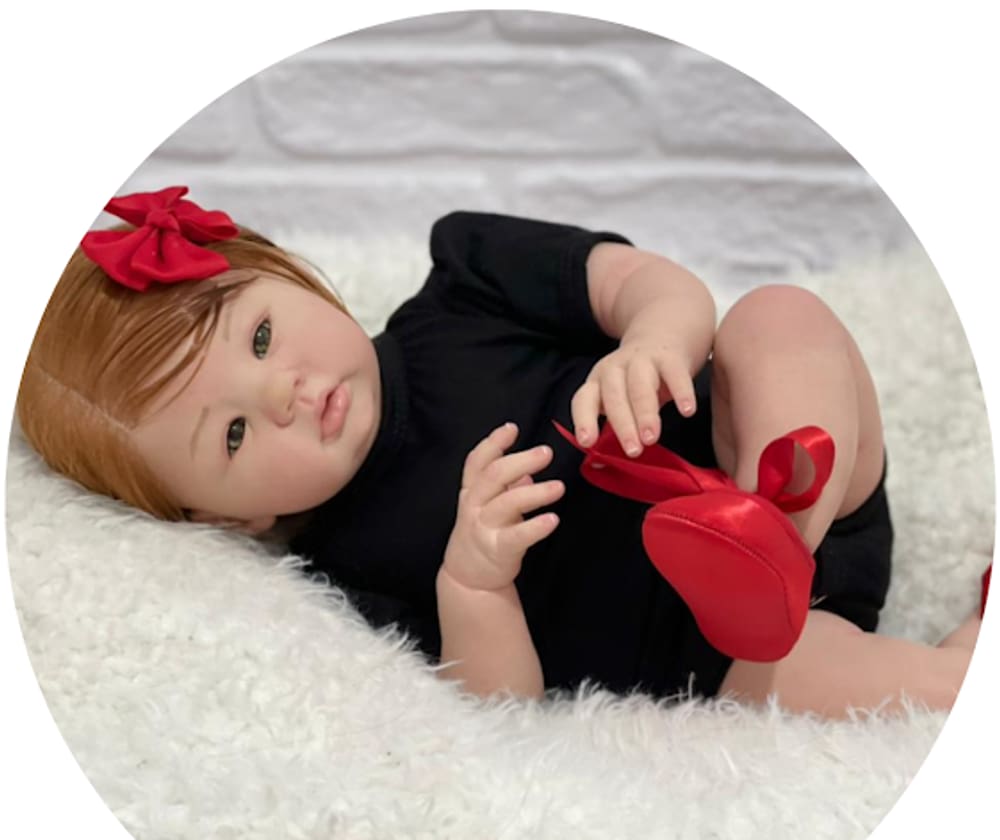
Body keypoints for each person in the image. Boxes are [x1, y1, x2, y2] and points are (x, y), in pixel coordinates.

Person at [17, 186, 983, 717]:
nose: (283, 392)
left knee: (778, 318)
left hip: (779, 468)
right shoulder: (345, 572)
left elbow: (653, 284)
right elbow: (501, 710)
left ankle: (770, 532)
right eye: (231, 434)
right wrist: (475, 583)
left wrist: (652, 344)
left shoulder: (466, 280)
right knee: (839, 691)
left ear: (288, 276)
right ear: (228, 518)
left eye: (261, 336)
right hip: (731, 655)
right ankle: (950, 660)